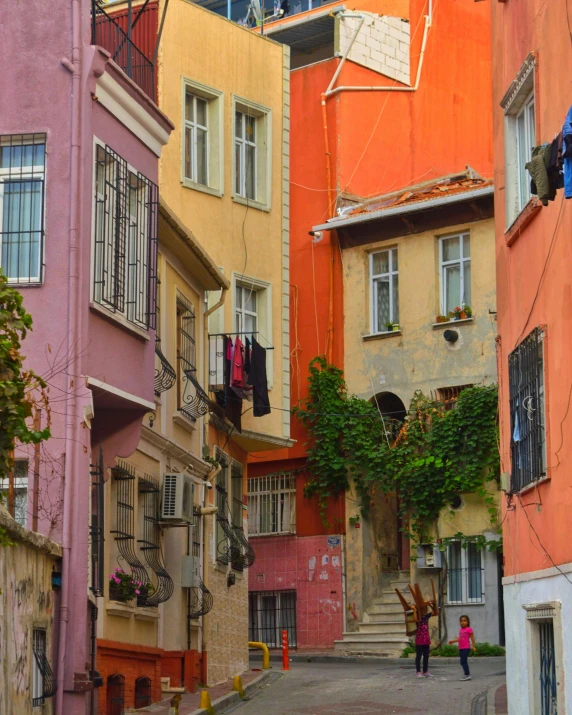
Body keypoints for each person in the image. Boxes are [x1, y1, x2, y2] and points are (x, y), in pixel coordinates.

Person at [448, 614, 477, 681]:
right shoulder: (461, 629)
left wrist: (473, 646)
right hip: (461, 648)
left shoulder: (469, 629)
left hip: (466, 648)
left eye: (464, 621)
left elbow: (472, 638)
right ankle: (467, 674)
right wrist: (453, 641)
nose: (463, 622)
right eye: (461, 621)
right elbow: (460, 638)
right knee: (462, 661)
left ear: (468, 622)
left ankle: (467, 674)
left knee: (463, 661)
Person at [415, 599, 438, 678]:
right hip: (419, 639)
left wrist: (432, 604)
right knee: (418, 656)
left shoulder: (426, 616)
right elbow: (414, 618)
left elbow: (435, 612)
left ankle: (425, 671)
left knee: (426, 656)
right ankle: (418, 672)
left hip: (426, 639)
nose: (423, 611)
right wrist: (414, 609)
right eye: (422, 609)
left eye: (425, 609)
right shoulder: (417, 617)